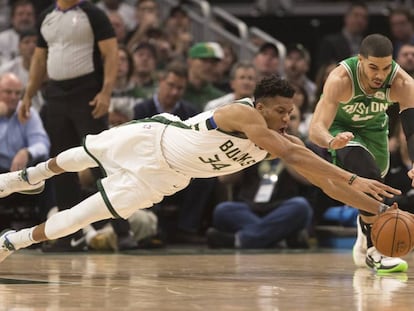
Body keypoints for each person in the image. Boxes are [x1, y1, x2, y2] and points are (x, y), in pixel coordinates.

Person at [0, 75, 401, 263]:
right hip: (152, 139)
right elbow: (298, 157)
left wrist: (377, 209)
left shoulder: (282, 140)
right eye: (279, 111)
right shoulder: (240, 114)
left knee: (77, 219)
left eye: (291, 112)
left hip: (166, 176)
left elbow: (324, 182)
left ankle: (11, 242)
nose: (286, 118)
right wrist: (349, 175)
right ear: (259, 106)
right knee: (76, 157)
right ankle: (27, 178)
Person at [309, 33, 414, 273]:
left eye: (386, 68)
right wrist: (331, 141)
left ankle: (365, 228)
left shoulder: (403, 83)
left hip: (375, 131)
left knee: (374, 190)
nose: (380, 75)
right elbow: (316, 128)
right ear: (360, 60)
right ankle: (374, 249)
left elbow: (411, 130)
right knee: (369, 176)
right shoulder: (340, 78)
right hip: (340, 131)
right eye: (373, 67)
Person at [18, 0, 118, 251]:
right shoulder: (46, 17)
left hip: (87, 92)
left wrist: (106, 92)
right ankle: (68, 236)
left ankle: (122, 229)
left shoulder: (93, 14)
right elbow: (39, 60)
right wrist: (28, 95)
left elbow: (111, 53)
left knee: (99, 160)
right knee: (61, 165)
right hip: (56, 95)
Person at [0, 72, 51, 225]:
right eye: (8, 92)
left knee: (46, 166)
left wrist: (27, 152)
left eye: (17, 93)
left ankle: (51, 221)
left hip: (21, 173)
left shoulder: (27, 111)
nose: (13, 97)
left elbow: (43, 144)